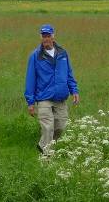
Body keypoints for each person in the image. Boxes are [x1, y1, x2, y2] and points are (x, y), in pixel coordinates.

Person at [24, 24, 80, 153]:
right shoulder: (35, 56)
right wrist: (30, 102)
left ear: (53, 36)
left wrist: (74, 90)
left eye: (48, 36)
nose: (46, 39)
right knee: (48, 128)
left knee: (60, 127)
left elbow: (69, 73)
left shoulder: (63, 53)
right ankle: (47, 157)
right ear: (40, 37)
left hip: (60, 97)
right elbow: (30, 79)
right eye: (44, 36)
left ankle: (42, 146)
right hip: (44, 97)